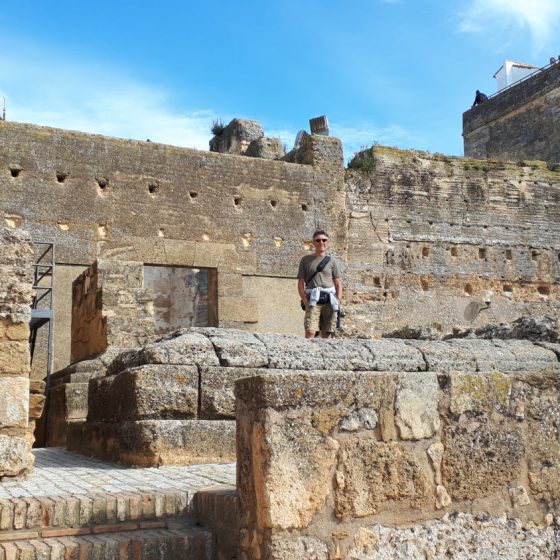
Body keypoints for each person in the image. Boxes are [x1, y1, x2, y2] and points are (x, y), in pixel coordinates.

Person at [297, 229, 343, 338]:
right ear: (313, 243)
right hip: (313, 299)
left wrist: (338, 300)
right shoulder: (306, 260)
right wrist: (304, 299)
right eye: (318, 240)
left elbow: (338, 283)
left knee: (327, 332)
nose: (321, 242)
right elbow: (301, 282)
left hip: (329, 299)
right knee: (310, 331)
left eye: (324, 240)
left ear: (327, 242)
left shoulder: (333, 261)